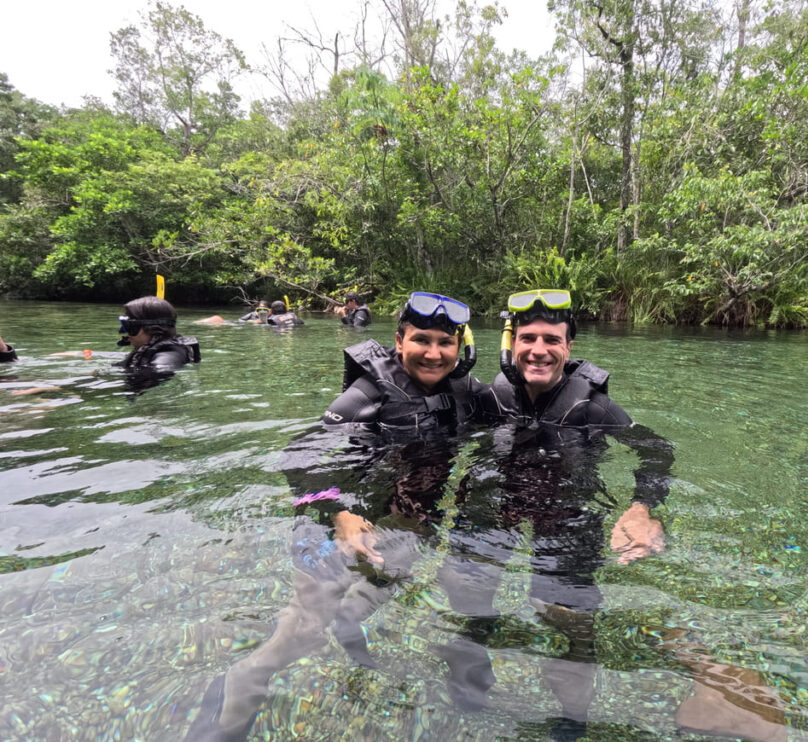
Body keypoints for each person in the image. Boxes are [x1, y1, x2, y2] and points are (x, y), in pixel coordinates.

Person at [187, 292, 483, 742]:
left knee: (397, 571)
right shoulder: (366, 393)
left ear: (459, 349)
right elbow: (297, 457)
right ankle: (235, 698)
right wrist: (339, 513)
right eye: (421, 340)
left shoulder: (464, 392)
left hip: (397, 519)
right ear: (399, 341)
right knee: (303, 631)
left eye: (445, 343)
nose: (433, 353)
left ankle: (350, 623)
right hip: (332, 516)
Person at [433, 289, 674, 739]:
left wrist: (642, 508)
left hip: (567, 505)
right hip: (499, 494)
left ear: (569, 347)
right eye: (528, 338)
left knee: (568, 616)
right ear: (512, 344)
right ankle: (480, 632)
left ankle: (573, 720)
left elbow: (657, 450)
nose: (538, 350)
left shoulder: (591, 406)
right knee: (461, 583)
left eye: (551, 339)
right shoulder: (493, 399)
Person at [115, 296, 200, 373]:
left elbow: (154, 377)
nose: (126, 335)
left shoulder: (167, 357)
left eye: (129, 328)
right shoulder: (147, 348)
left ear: (153, 330)